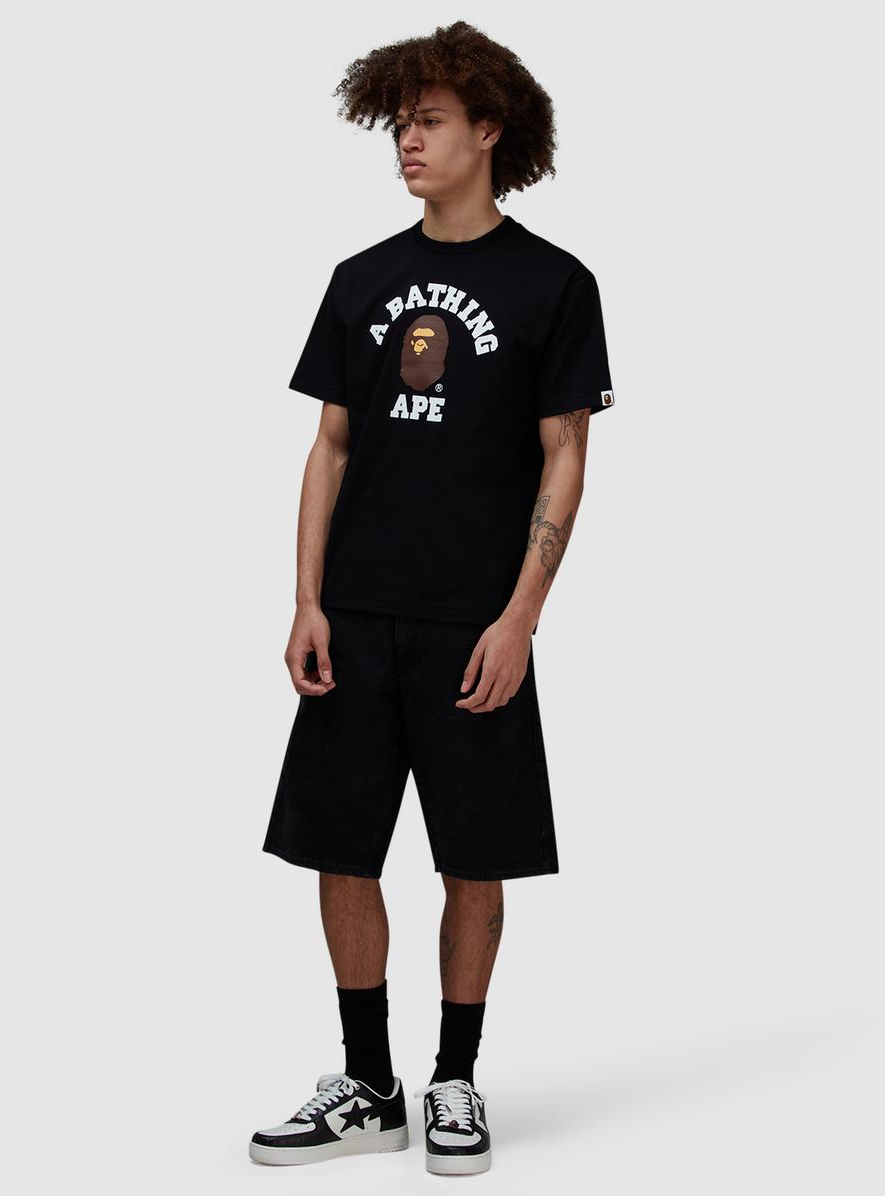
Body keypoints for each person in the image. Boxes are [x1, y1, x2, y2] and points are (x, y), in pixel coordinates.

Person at [249, 20, 615, 1176]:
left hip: (472, 622)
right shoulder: (359, 279)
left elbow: (565, 454)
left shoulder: (554, 283)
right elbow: (330, 445)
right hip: (355, 616)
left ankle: (455, 1076)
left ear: (489, 129)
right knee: (339, 848)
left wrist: (520, 617)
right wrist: (306, 599)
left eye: (430, 121)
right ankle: (368, 1083)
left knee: (474, 856)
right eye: (399, 123)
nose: (407, 141)